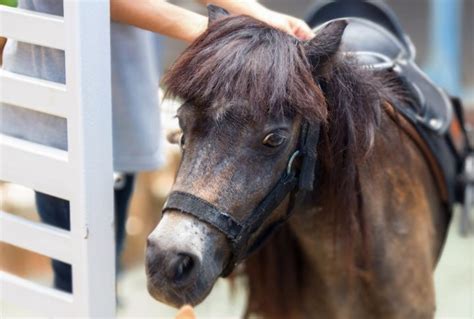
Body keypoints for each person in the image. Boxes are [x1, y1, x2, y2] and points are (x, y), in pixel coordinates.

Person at [0, 0, 314, 294]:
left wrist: (260, 15)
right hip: (66, 109)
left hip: (118, 105)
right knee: (80, 275)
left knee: (104, 263)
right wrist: (217, 33)